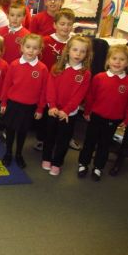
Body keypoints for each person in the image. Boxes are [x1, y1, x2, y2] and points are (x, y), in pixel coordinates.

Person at [78, 45, 128, 181]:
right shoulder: (99, 77)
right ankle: (83, 163)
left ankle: (98, 167)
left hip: (113, 119)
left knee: (104, 144)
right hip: (96, 116)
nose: (117, 62)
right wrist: (87, 111)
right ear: (108, 61)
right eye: (114, 58)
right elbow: (91, 96)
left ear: (127, 63)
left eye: (122, 59)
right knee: (89, 142)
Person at [42, 36, 92, 176]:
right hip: (53, 110)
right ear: (68, 50)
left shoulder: (85, 74)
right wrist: (52, 106)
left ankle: (57, 162)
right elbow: (50, 88)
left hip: (69, 114)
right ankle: (46, 158)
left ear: (86, 54)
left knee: (63, 140)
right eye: (75, 50)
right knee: (50, 136)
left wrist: (66, 110)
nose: (78, 54)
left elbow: (79, 95)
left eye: (82, 51)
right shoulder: (57, 67)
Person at [0, 34, 48, 168]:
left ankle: (19, 154)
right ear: (22, 47)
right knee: (10, 131)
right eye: (28, 47)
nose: (31, 51)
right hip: (13, 104)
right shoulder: (14, 65)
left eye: (35, 48)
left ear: (40, 50)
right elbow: (6, 85)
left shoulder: (42, 68)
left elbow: (44, 90)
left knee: (22, 132)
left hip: (29, 107)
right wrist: (3, 102)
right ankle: (8, 152)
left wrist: (40, 108)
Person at [34, 8, 75, 152]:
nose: (66, 27)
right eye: (62, 24)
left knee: (64, 109)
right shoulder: (46, 41)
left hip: (66, 84)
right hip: (47, 82)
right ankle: (41, 138)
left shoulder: (75, 43)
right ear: (55, 25)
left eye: (69, 24)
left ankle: (63, 138)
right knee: (46, 111)